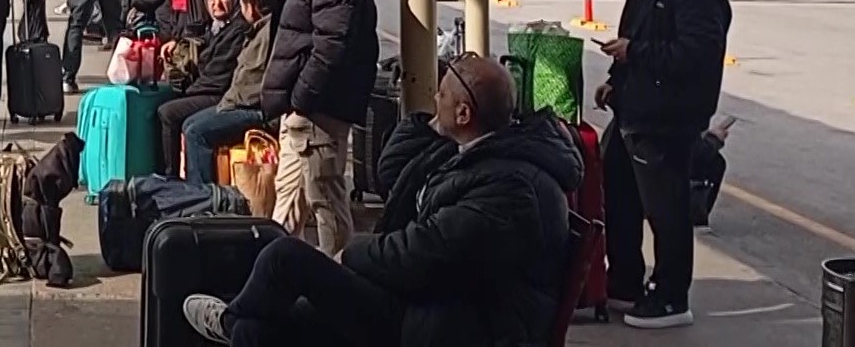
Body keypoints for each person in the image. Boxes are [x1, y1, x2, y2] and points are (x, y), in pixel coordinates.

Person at [182, 56, 581, 347]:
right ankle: (236, 326)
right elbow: (391, 173)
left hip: (457, 325)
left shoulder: (512, 188)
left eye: (440, 95)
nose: (433, 99)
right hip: (430, 306)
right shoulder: (473, 151)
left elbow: (423, 253)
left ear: (464, 113)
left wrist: (349, 254)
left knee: (286, 257)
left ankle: (229, 319)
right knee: (258, 332)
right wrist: (434, 126)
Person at [596, 0, 732, 330]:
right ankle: (626, 281)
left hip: (666, 119)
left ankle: (672, 296)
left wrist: (634, 53)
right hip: (633, 112)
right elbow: (635, 32)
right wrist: (615, 80)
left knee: (665, 209)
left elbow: (696, 55)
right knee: (616, 192)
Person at [260, 0, 377, 254]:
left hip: (317, 111)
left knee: (324, 194)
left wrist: (301, 100)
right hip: (304, 111)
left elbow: (330, 49)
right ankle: (276, 269)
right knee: (289, 196)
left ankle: (338, 273)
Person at [179, 0, 278, 183]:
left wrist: (228, 105)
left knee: (197, 133)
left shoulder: (266, 34)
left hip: (255, 109)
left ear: (251, 7)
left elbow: (251, 84)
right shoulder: (258, 30)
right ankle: (197, 187)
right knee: (190, 123)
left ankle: (203, 196)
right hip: (239, 102)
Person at [153, 0, 251, 175]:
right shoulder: (214, 27)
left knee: (168, 112)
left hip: (221, 94)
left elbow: (218, 76)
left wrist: (188, 92)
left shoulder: (237, 30)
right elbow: (201, 44)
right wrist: (178, 43)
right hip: (208, 89)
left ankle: (170, 177)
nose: (217, 4)